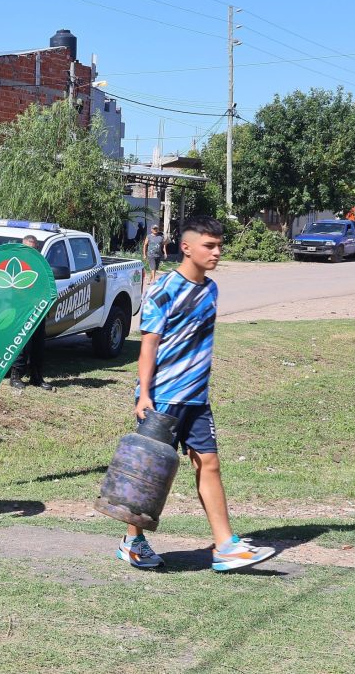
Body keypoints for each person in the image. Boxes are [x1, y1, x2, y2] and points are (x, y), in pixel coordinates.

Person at [121, 216, 276, 572]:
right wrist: (144, 395)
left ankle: (225, 547)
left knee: (209, 463)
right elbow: (148, 346)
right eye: (209, 245)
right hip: (162, 398)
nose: (217, 252)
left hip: (197, 398)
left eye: (220, 245)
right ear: (187, 247)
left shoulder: (212, 290)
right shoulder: (163, 289)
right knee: (152, 473)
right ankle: (133, 541)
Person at [9, 235, 52, 391]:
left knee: (38, 346)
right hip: (20, 311)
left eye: (33, 249)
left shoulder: (41, 266)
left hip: (38, 311)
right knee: (22, 345)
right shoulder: (15, 265)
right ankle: (16, 377)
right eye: (27, 248)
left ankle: (37, 377)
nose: (30, 252)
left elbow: (48, 287)